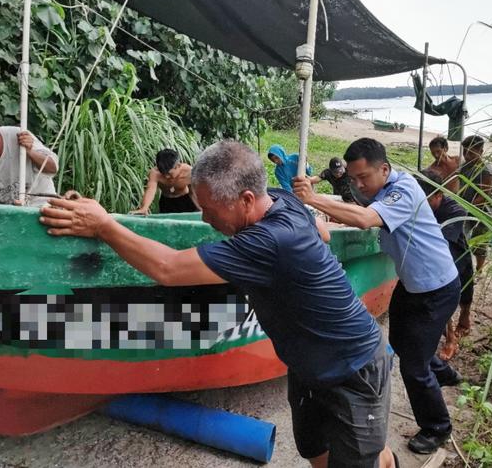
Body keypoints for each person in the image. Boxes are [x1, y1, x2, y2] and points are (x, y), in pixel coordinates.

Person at [40, 140, 398, 468]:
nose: (206, 219)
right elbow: (321, 231)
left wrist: (105, 225)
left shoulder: (269, 241)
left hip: (353, 367)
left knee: (359, 463)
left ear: (245, 199)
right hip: (307, 366)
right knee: (316, 453)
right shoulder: (278, 199)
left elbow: (167, 268)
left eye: (210, 210)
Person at [293, 137, 462, 455]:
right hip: (413, 285)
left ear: (384, 169)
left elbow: (365, 219)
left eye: (363, 178)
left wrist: (313, 199)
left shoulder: (404, 189)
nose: (358, 184)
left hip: (436, 288)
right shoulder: (382, 191)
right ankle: (445, 372)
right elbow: (358, 212)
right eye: (353, 179)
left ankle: (437, 427)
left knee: (412, 366)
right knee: (399, 342)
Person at [418, 170, 475, 360]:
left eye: (426, 200)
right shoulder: (417, 207)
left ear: (438, 195)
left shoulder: (455, 211)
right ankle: (451, 339)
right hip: (436, 262)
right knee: (443, 299)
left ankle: (465, 318)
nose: (421, 206)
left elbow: (443, 239)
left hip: (457, 253)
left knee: (466, 292)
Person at [458, 135, 492, 275]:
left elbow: (484, 196)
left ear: (481, 152)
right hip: (465, 210)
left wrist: (464, 205)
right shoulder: (465, 166)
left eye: (471, 153)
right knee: (463, 238)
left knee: (480, 244)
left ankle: (479, 270)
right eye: (465, 152)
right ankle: (465, 267)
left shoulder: (486, 170)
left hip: (483, 212)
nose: (467, 156)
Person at [131, 149, 198, 214]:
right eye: (163, 173)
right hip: (166, 202)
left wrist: (201, 209)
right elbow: (150, 189)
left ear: (178, 166)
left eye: (169, 173)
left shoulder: (189, 172)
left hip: (185, 201)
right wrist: (144, 208)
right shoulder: (155, 173)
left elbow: (193, 193)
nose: (166, 177)